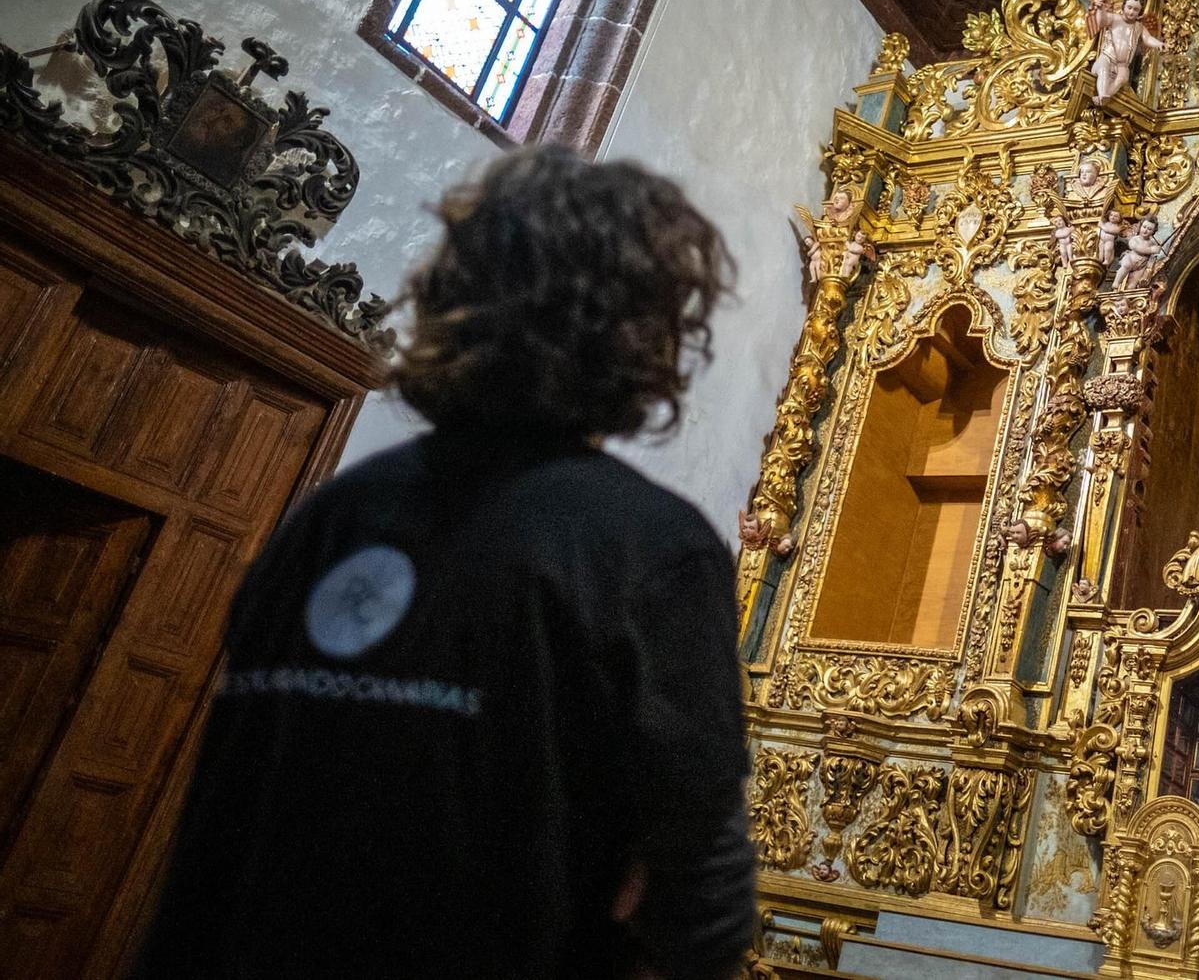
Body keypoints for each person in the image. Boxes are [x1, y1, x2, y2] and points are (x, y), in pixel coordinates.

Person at [138, 146, 752, 979]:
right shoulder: (650, 549)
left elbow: (224, 823)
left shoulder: (333, 514)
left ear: (454, 297)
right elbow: (700, 894)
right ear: (639, 328)